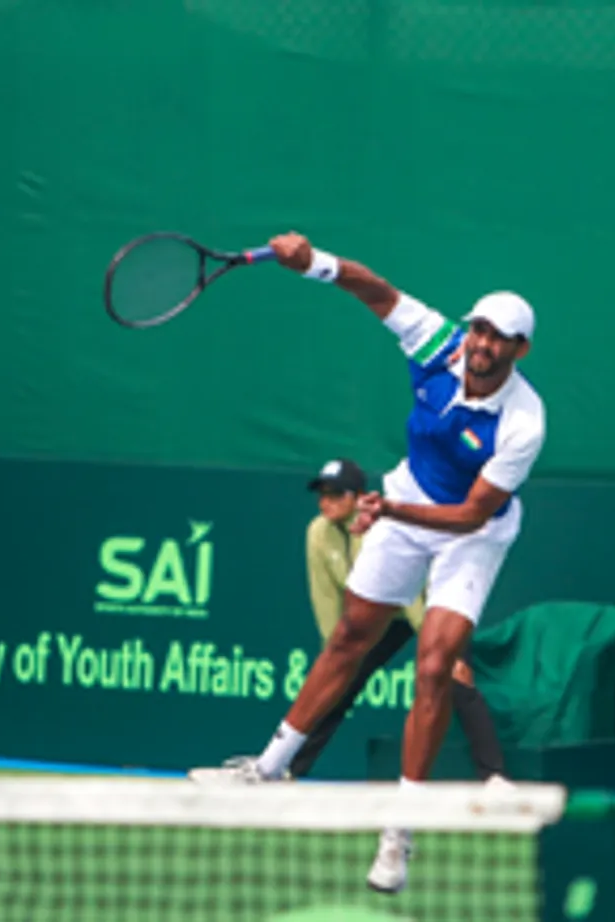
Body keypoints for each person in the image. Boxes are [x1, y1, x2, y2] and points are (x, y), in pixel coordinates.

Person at [191, 233, 545, 896]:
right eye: (479, 329)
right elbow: (375, 290)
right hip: (410, 497)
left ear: (520, 349)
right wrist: (314, 263)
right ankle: (267, 770)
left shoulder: (524, 422)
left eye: (500, 337)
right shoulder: (439, 344)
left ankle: (400, 833)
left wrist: (387, 512)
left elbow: (472, 515)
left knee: (435, 664)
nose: (482, 343)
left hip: (471, 533)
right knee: (353, 634)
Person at [207, 457, 507, 782]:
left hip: (425, 605)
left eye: (336, 494)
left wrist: (441, 650)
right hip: (376, 620)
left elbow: (414, 595)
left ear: (357, 496)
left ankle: (494, 776)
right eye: (322, 494)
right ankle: (288, 768)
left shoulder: (380, 525)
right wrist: (334, 659)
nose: (326, 502)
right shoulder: (318, 533)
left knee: (451, 676)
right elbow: (325, 598)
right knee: (337, 685)